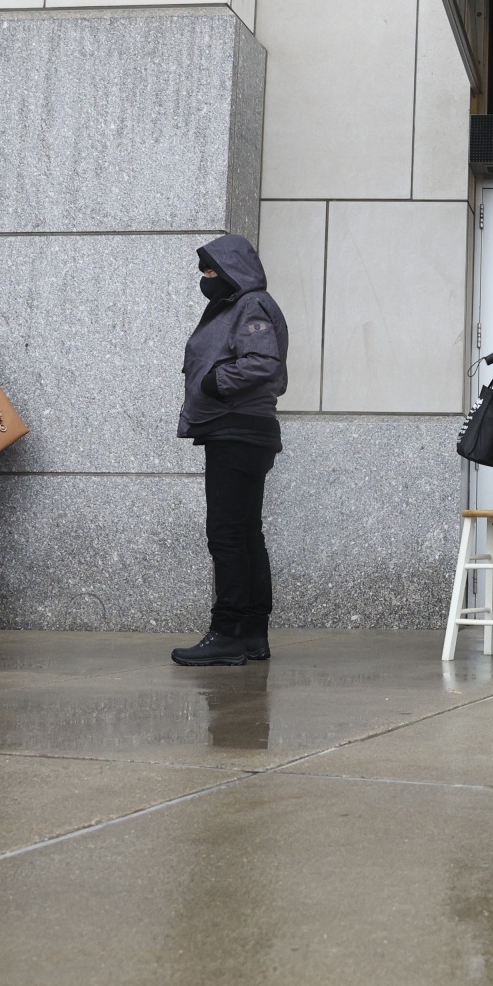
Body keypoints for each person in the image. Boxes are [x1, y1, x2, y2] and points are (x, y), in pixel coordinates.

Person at [172, 235, 287, 667]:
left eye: (210, 270)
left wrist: (214, 381)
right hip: (239, 430)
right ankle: (253, 633)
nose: (204, 278)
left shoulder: (250, 305)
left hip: (237, 430)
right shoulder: (237, 305)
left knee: (226, 534)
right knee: (244, 533)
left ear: (230, 270)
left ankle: (229, 632)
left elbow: (263, 363)